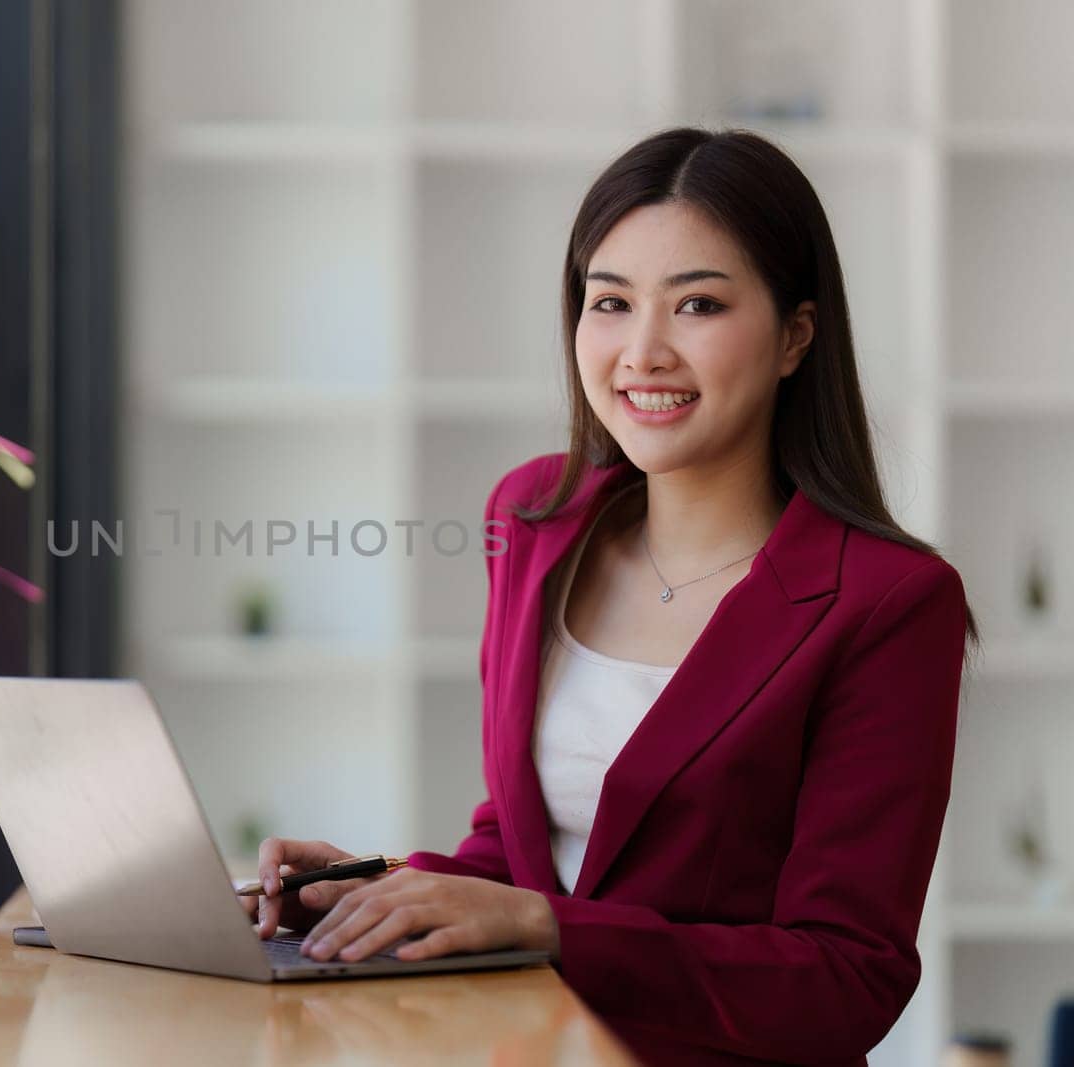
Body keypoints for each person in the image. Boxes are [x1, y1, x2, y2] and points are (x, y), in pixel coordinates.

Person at [243, 126, 980, 1066]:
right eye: (610, 303)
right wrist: (374, 888)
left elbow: (844, 979)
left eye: (699, 304)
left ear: (796, 334)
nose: (643, 351)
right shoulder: (537, 519)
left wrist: (546, 927)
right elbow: (523, 852)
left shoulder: (888, 602)